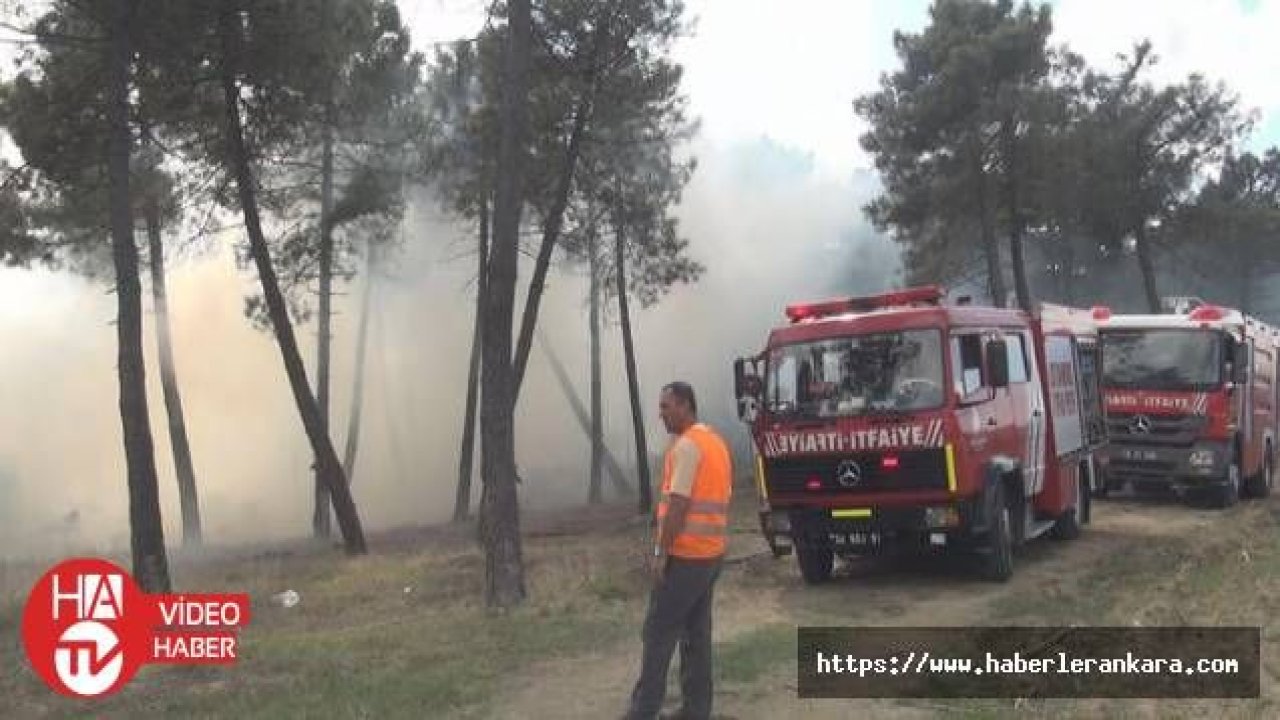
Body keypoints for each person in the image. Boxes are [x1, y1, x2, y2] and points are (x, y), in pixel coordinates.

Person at [626, 381, 733, 720]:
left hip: (686, 558)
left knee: (657, 632)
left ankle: (643, 711)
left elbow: (678, 504)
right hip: (711, 555)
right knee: (696, 636)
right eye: (660, 407)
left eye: (666, 406)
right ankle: (696, 710)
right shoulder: (715, 443)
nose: (661, 414)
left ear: (686, 405)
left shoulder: (687, 447)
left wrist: (660, 552)